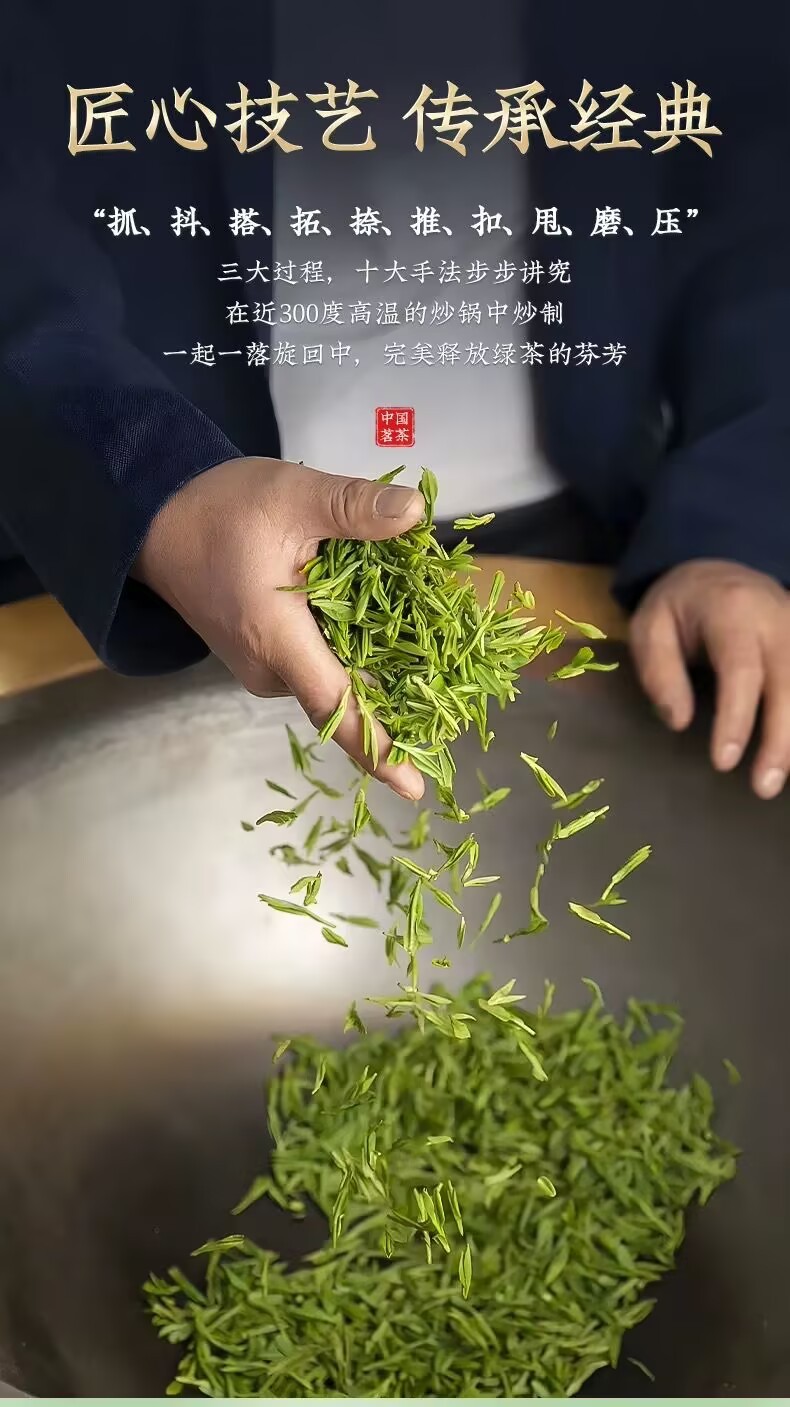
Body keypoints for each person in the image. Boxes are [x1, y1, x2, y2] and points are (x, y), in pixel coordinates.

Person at [2, 0, 790, 803]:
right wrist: (148, 475)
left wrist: (736, 523)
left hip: (589, 528)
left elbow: (759, 168)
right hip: (131, 524)